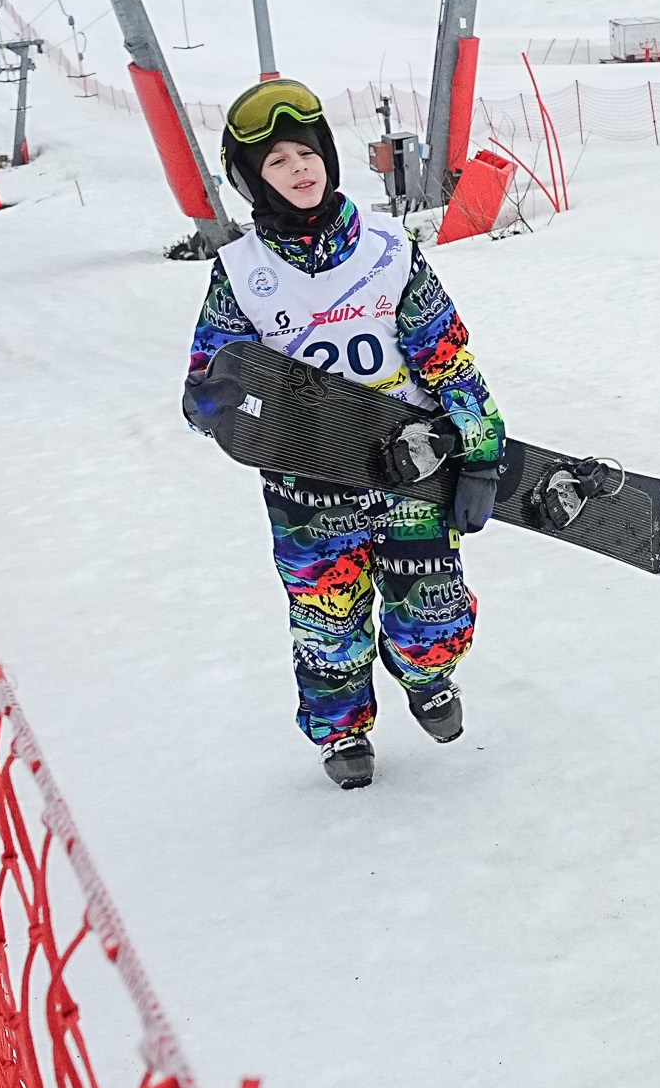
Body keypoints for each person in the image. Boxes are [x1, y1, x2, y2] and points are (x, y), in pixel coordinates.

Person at [178, 80, 506, 790]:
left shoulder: (389, 251)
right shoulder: (241, 273)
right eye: (276, 162)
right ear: (252, 180)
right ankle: (343, 730)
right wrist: (213, 401)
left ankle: (427, 676)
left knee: (433, 614)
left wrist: (481, 453)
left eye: (306, 153)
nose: (299, 169)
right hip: (308, 484)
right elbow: (211, 377)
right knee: (328, 623)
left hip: (410, 467)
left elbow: (446, 355)